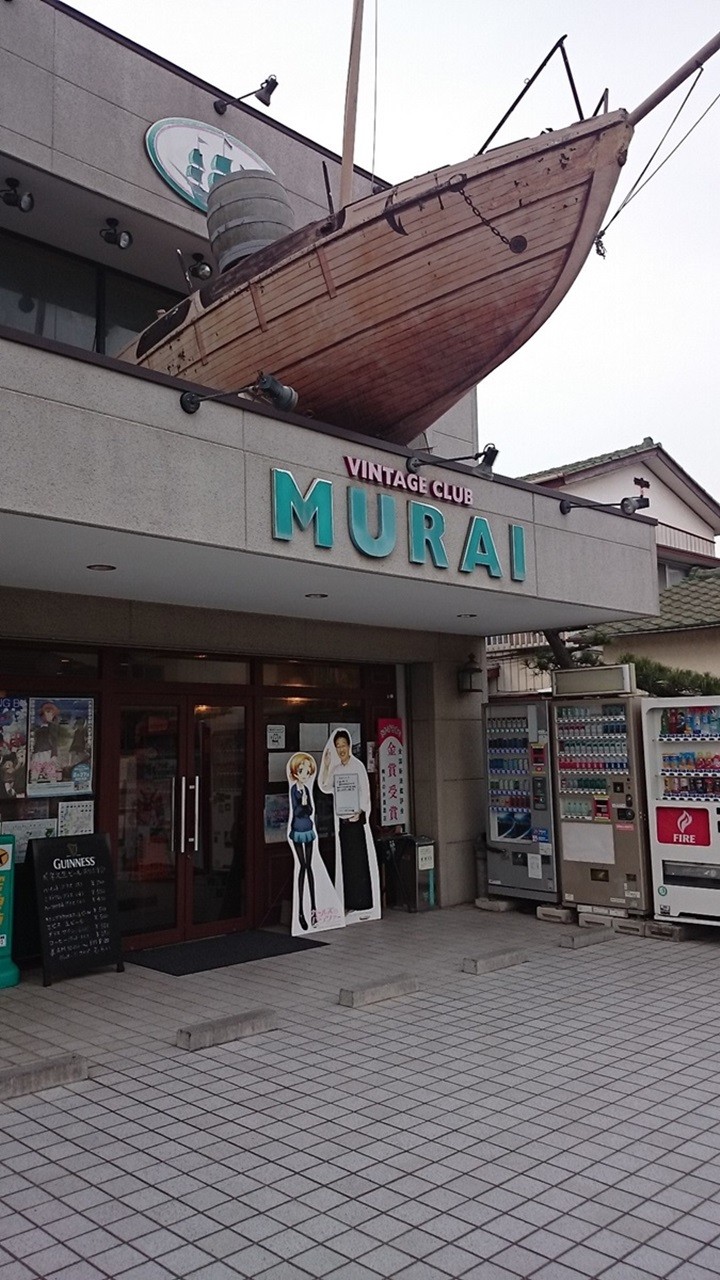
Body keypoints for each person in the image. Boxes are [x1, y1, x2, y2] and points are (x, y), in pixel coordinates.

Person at [319, 729, 380, 919]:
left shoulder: (358, 766)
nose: (341, 749)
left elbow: (365, 791)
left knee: (358, 863)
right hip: (343, 823)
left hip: (356, 822)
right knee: (347, 864)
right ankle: (350, 903)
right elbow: (325, 786)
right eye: (338, 746)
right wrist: (326, 766)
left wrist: (360, 810)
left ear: (349, 746)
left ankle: (363, 903)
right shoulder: (337, 769)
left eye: (343, 745)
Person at [287, 752, 319, 932]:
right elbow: (297, 811)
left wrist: (306, 805)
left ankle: (313, 907)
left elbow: (311, 809)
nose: (305, 774)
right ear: (295, 773)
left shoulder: (306, 789)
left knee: (309, 866)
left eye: (308, 771)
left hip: (308, 828)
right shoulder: (294, 790)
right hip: (298, 829)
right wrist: (303, 804)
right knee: (302, 866)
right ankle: (300, 910)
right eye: (302, 771)